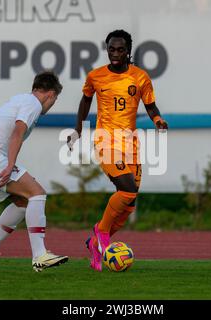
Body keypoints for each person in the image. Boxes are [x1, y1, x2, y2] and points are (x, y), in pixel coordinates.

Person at [67, 30, 168, 271]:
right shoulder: (96, 76)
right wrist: (78, 130)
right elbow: (85, 101)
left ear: (128, 51)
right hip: (106, 141)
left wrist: (158, 121)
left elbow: (151, 106)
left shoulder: (140, 77)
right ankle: (101, 232)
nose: (115, 53)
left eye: (120, 49)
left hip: (130, 144)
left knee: (129, 203)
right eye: (111, 49)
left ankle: (94, 244)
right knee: (127, 188)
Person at [0, 71, 68, 274]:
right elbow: (17, 133)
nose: (52, 104)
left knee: (24, 202)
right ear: (50, 94)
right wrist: (10, 164)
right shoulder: (33, 104)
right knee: (37, 193)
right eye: (55, 99)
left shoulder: (22, 100)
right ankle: (40, 256)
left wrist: (9, 162)